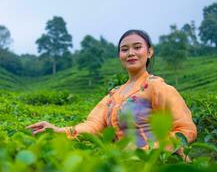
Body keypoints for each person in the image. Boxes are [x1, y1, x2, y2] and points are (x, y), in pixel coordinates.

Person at [26, 29, 197, 152]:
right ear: (119, 56)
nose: (131, 53)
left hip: (161, 166)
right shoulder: (114, 94)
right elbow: (93, 125)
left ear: (149, 52)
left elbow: (185, 130)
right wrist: (58, 131)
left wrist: (150, 152)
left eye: (137, 47)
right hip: (126, 168)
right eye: (124, 49)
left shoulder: (157, 87)